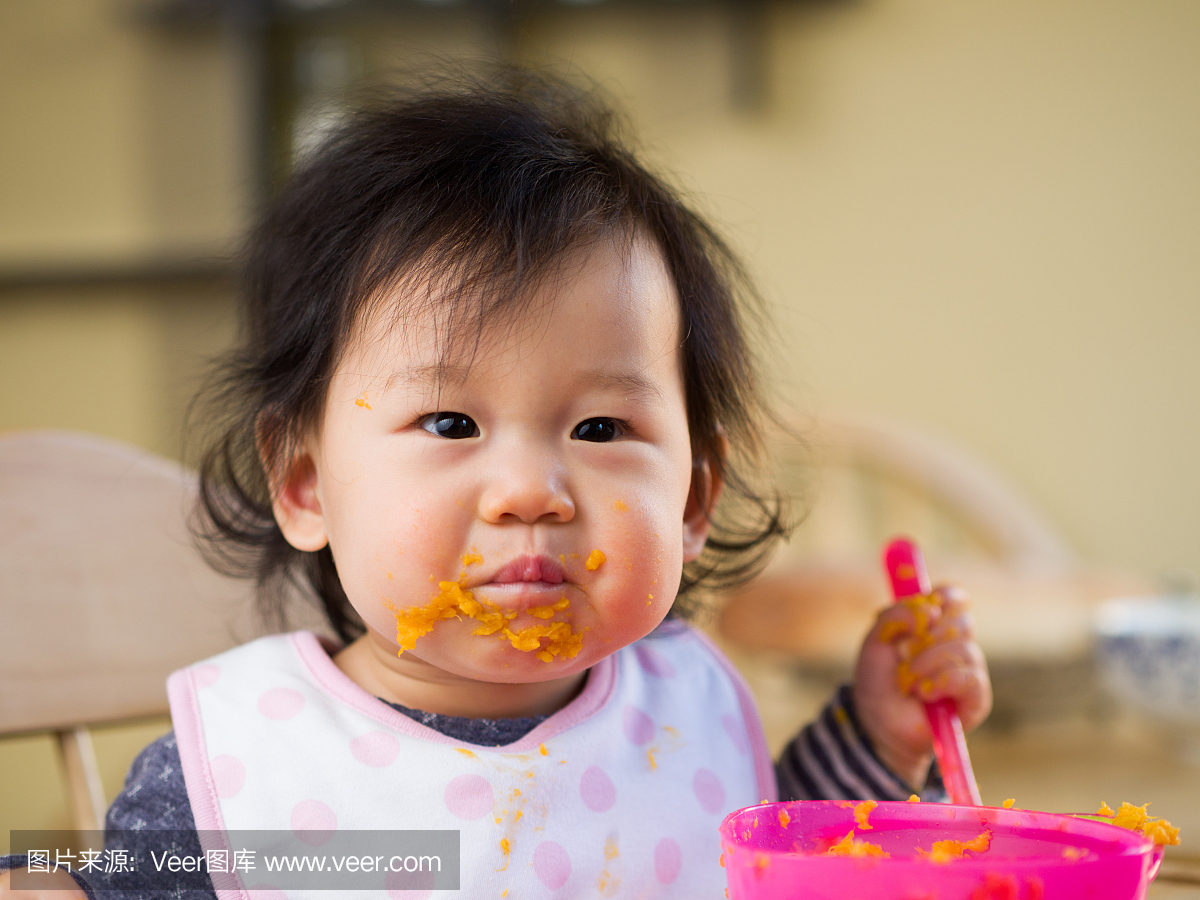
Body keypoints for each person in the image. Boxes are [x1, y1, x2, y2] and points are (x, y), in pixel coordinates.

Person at [0, 69, 990, 899]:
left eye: (601, 427)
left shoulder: (683, 712)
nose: (528, 491)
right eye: (450, 424)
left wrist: (877, 738)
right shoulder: (241, 778)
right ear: (306, 485)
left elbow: (741, 851)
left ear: (691, 499)